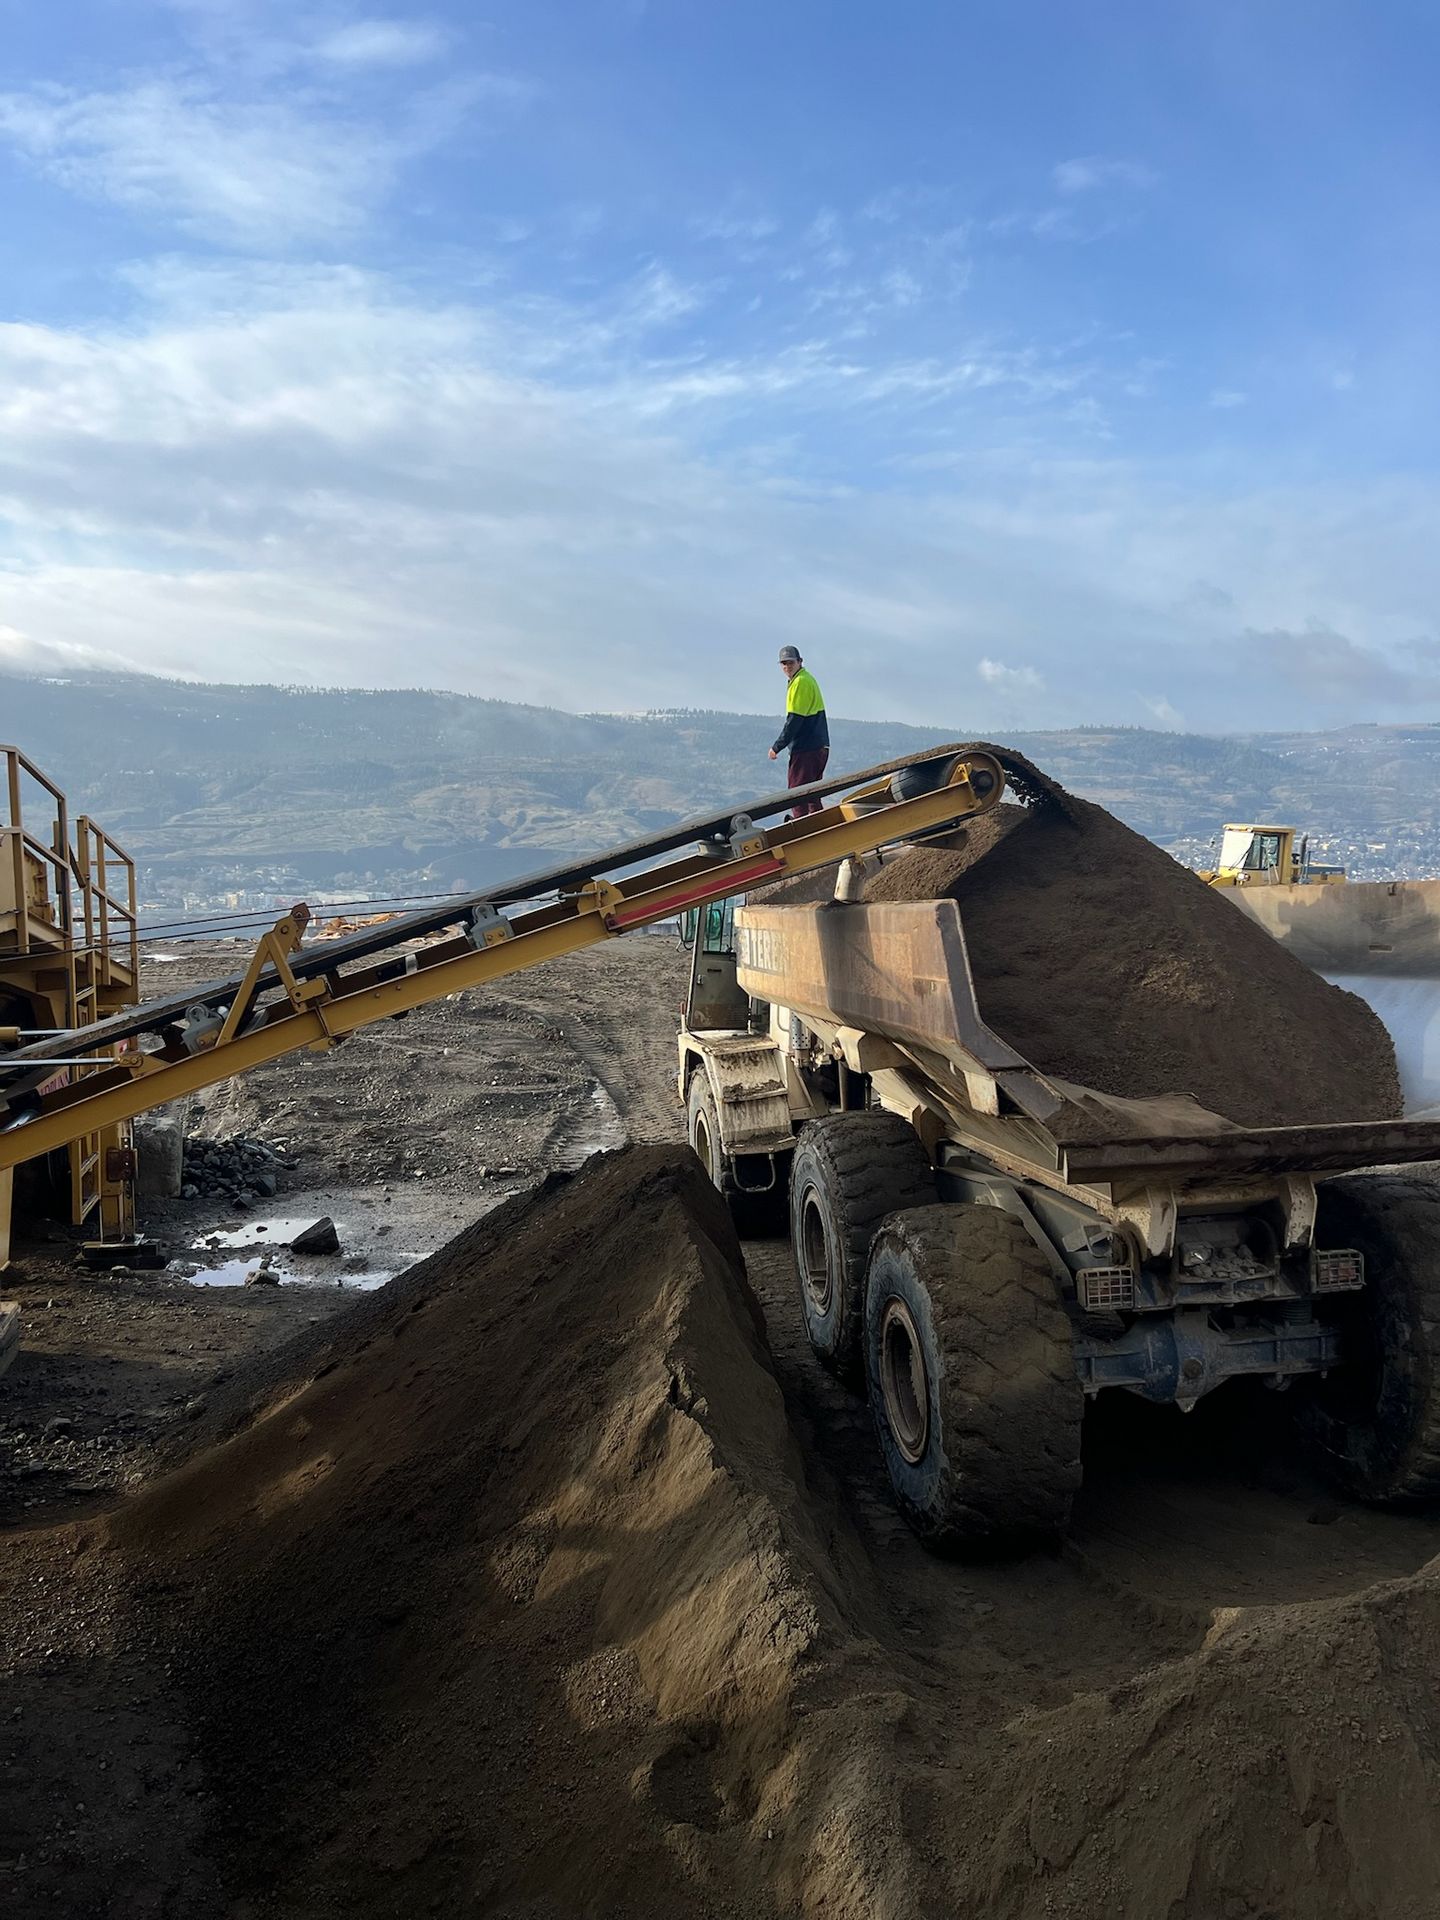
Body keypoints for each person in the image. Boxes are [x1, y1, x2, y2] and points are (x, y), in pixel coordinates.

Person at [768, 646, 829, 816]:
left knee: (797, 794)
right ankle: (819, 827)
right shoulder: (806, 679)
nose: (787, 666)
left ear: (800, 662)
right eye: (784, 663)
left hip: (806, 748)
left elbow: (795, 720)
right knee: (812, 795)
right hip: (819, 746)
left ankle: (803, 829)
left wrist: (777, 747)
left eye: (791, 662)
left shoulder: (800, 682)